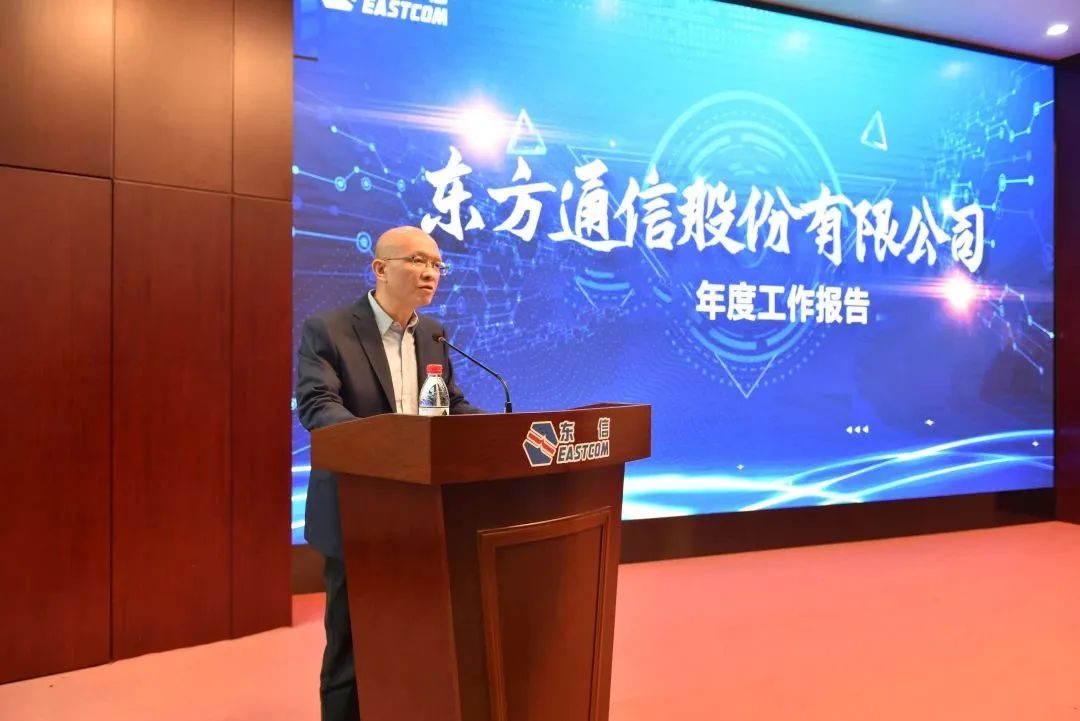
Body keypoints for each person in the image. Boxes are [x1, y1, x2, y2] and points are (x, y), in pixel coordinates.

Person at [295, 226, 480, 721]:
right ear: (379, 268)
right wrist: (386, 447)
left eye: (437, 265)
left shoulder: (434, 333)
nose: (430, 273)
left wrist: (497, 432)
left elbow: (451, 404)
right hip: (357, 510)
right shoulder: (329, 329)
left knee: (418, 638)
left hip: (424, 512)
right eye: (418, 261)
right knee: (350, 650)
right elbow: (318, 405)